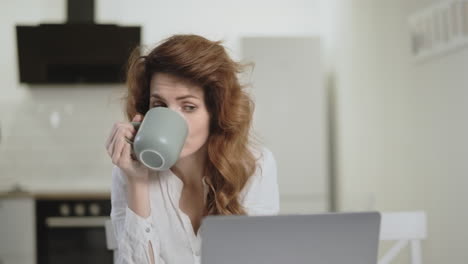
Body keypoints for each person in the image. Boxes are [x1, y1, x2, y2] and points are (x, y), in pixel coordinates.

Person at [105, 34, 279, 264]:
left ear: (215, 112)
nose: (172, 118)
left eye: (188, 106)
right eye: (159, 105)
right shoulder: (128, 172)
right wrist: (138, 183)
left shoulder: (255, 166)